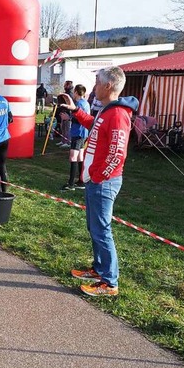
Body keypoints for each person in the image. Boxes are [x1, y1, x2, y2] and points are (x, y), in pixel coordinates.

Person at [59, 66, 138, 297]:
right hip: (95, 179)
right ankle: (98, 269)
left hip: (104, 181)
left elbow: (117, 153)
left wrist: (98, 176)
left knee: (102, 230)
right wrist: (76, 111)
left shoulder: (118, 114)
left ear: (108, 86)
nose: (93, 87)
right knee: (94, 228)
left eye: (97, 82)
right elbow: (95, 126)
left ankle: (110, 282)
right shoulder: (106, 110)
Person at [61, 84, 91, 191]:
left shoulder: (78, 103)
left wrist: (68, 117)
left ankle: (70, 184)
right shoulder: (86, 103)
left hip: (78, 132)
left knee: (73, 157)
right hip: (84, 133)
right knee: (80, 157)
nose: (73, 93)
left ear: (77, 93)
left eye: (74, 92)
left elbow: (79, 119)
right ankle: (81, 181)